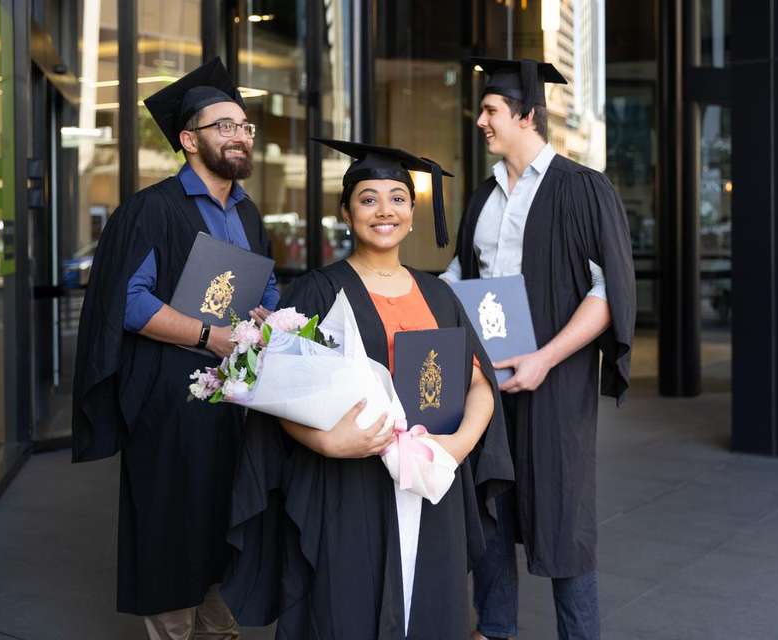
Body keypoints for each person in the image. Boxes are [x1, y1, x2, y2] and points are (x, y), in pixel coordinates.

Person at [220, 140, 514, 639]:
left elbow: (480, 385)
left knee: (429, 611)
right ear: (346, 212)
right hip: (347, 488)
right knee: (345, 610)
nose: (385, 211)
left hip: (429, 483)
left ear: (414, 211)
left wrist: (457, 447)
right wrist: (327, 442)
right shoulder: (316, 291)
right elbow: (279, 395)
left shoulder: (440, 293)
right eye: (369, 198)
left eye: (398, 198)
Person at [71, 58, 279, 639]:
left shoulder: (247, 212)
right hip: (167, 397)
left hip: (233, 401)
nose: (239, 136)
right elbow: (129, 302)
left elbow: (264, 286)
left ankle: (220, 627)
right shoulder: (152, 209)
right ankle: (173, 631)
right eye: (224, 126)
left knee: (225, 516)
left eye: (245, 127)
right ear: (189, 140)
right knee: (170, 521)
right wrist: (210, 336)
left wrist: (267, 315)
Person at [440, 58, 636, 640]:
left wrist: (545, 357)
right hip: (488, 384)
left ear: (526, 115)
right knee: (492, 504)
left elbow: (607, 292)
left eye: (491, 110)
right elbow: (457, 279)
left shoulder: (582, 189)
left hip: (555, 383)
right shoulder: (483, 198)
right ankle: (494, 629)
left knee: (562, 514)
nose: (480, 121)